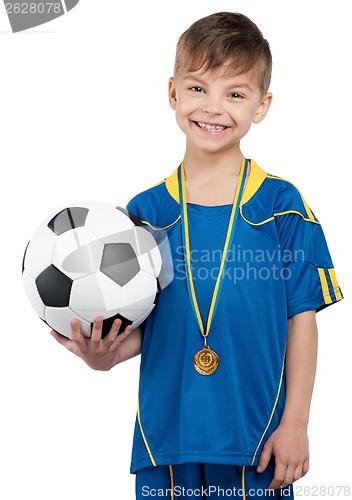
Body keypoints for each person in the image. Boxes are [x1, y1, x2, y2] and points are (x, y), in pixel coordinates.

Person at [51, 11, 343, 499]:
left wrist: (296, 423)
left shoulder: (282, 206)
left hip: (259, 443)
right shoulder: (143, 215)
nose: (214, 107)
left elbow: (302, 319)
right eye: (197, 88)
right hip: (168, 442)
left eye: (235, 93)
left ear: (262, 105)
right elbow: (145, 326)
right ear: (172, 93)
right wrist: (105, 357)